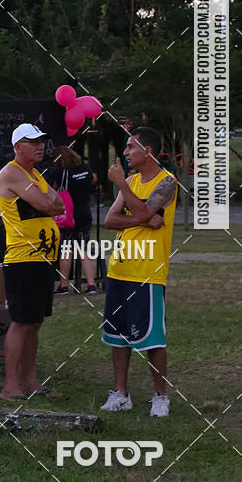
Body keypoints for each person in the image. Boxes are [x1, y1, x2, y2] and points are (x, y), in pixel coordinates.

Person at [100, 127, 177, 417]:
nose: (126, 153)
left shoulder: (167, 182)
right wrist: (143, 219)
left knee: (153, 338)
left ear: (148, 151)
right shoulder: (132, 181)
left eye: (131, 148)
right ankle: (121, 394)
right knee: (118, 336)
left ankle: (160, 396)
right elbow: (111, 220)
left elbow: (144, 210)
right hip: (120, 268)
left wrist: (124, 189)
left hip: (147, 272)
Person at [0, 123, 64, 401]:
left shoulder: (34, 174)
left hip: (43, 258)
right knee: (21, 321)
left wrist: (46, 199)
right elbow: (50, 206)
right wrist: (45, 200)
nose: (40, 146)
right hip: (23, 258)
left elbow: (60, 204)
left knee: (35, 322)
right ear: (17, 147)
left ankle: (30, 380)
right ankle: (10, 386)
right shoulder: (11, 172)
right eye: (32, 141)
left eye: (42, 141)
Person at [52, 146, 98, 295]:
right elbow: (93, 185)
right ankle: (91, 285)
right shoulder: (85, 168)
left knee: (66, 250)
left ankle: (64, 286)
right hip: (85, 213)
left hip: (68, 216)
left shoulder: (61, 173)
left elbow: (54, 190)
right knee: (83, 249)